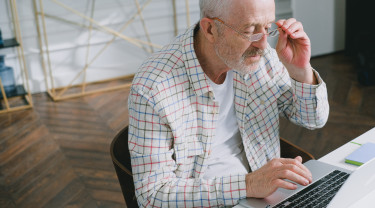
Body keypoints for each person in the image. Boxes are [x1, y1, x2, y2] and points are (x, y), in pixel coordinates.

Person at [128, 0, 329, 207]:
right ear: (210, 29)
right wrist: (248, 184)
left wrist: (300, 71)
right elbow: (152, 195)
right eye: (250, 31)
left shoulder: (263, 57)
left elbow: (313, 119)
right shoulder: (153, 87)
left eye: (268, 28)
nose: (262, 44)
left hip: (267, 197)